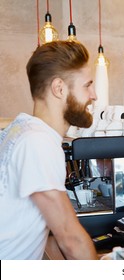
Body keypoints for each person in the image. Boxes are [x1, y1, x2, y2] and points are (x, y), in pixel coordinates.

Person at [0, 41, 98, 259]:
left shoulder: (20, 131)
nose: (94, 95)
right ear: (59, 88)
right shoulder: (38, 142)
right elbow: (71, 239)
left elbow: (47, 237)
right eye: (87, 85)